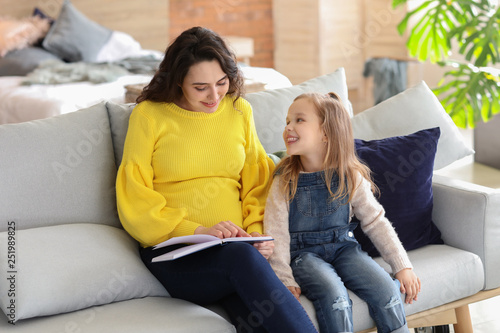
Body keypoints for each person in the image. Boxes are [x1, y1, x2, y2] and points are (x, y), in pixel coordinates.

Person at [115, 26, 318, 333]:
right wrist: (200, 231)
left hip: (238, 252)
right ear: (177, 81)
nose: (214, 96)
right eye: (200, 88)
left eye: (221, 82)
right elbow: (134, 195)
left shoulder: (238, 111)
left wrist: (257, 234)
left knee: (258, 317)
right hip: (174, 255)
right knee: (241, 260)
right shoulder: (149, 116)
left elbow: (257, 183)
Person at [264, 92, 421, 333]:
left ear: (326, 133)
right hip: (304, 257)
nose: (288, 127)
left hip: (343, 248)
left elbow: (375, 221)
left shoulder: (350, 176)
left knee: (388, 292)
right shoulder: (284, 180)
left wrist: (402, 266)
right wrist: (284, 279)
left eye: (299, 120)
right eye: (287, 121)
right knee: (335, 297)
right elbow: (276, 234)